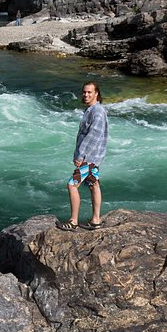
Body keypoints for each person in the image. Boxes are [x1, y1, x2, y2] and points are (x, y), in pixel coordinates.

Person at [56, 80, 108, 232]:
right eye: (84, 92)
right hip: (94, 157)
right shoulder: (92, 110)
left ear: (96, 94)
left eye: (89, 92)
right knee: (94, 184)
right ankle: (96, 220)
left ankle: (73, 222)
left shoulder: (97, 111)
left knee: (72, 185)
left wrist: (81, 155)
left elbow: (93, 135)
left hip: (89, 158)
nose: (86, 95)